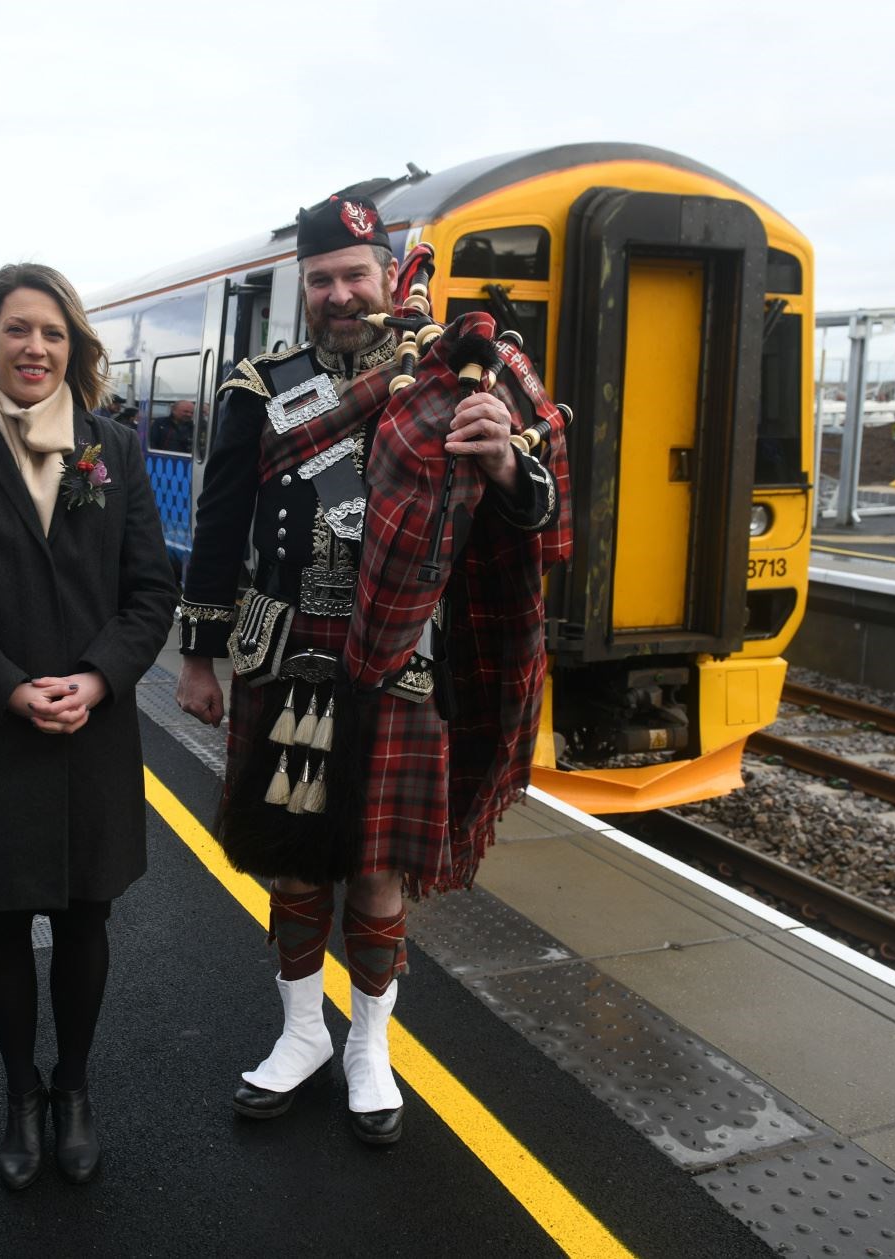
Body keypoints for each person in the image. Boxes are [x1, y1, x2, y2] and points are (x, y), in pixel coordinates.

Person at [174, 192, 559, 1146]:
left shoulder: (457, 373)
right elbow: (220, 524)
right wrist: (197, 653)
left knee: (380, 869)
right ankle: (303, 1032)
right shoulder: (260, 385)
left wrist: (506, 466)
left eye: (355, 275)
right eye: (321, 281)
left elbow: (538, 504)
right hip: (285, 645)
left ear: (390, 274)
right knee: (293, 867)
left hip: (402, 659)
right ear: (301, 288)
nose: (339, 295)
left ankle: (368, 1048)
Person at [0, 263, 176, 1190]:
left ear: (74, 348)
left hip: (92, 728)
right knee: (3, 924)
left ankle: (75, 1088)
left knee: (85, 917)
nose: (34, 349)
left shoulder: (113, 449)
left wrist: (97, 677)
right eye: (16, 330)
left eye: (51, 333)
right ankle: (20, 1092)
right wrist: (11, 689)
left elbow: (149, 592)